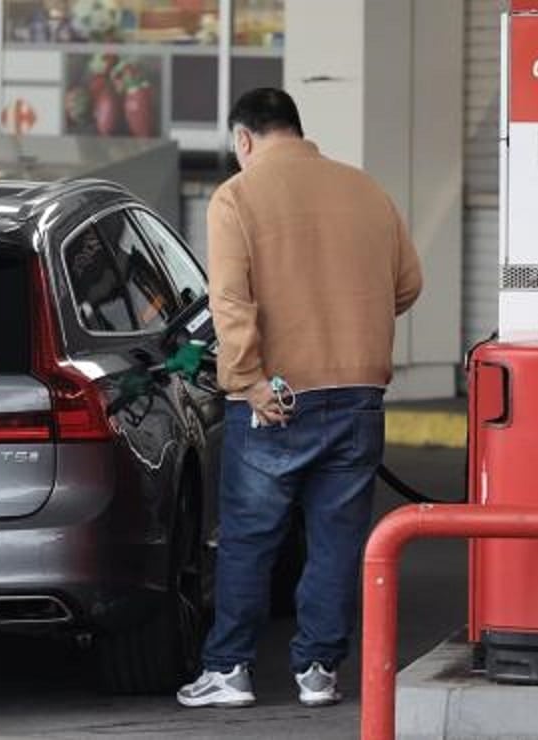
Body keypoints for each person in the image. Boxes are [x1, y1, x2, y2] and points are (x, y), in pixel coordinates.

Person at [177, 88, 423, 709]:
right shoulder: (367, 190)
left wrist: (247, 380)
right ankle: (319, 672)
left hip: (274, 398)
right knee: (338, 538)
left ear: (244, 140)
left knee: (249, 538)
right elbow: (407, 286)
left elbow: (230, 301)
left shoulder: (237, 196)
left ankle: (229, 669)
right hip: (359, 391)